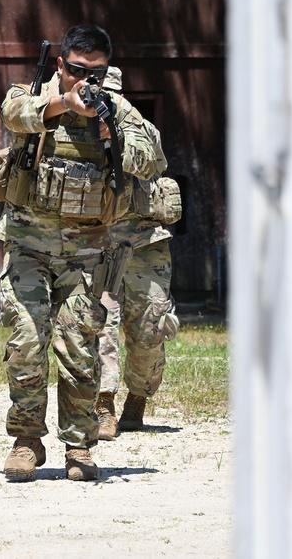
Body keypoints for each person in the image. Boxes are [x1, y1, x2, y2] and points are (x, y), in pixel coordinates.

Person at [0, 25, 160, 481]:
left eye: (99, 71)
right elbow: (13, 115)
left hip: (87, 252)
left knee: (78, 350)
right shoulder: (33, 93)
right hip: (28, 243)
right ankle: (27, 440)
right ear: (61, 64)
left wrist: (114, 130)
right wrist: (63, 104)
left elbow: (152, 160)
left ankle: (80, 446)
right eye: (80, 70)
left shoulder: (116, 107)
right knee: (26, 341)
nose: (88, 79)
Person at [95, 67, 180, 439]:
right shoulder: (69, 129)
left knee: (150, 327)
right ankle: (103, 405)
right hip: (97, 241)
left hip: (145, 241)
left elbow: (154, 164)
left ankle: (137, 400)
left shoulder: (141, 128)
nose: (105, 102)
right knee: (99, 325)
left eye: (111, 95)